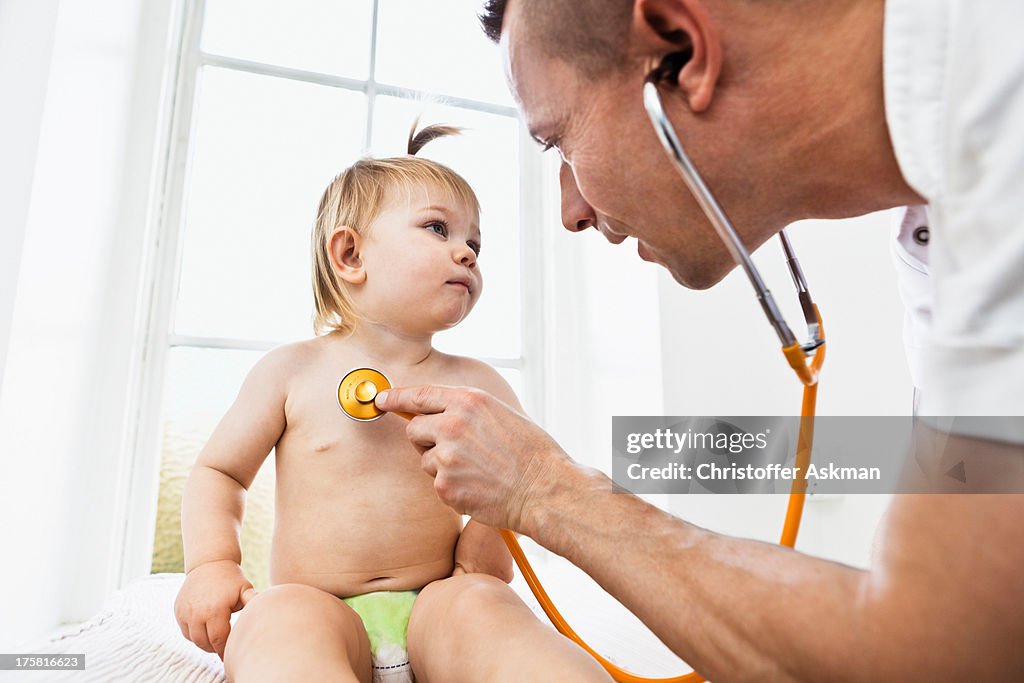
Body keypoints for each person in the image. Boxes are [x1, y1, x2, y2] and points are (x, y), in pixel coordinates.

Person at [372, 1, 1024, 680]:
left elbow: (937, 654)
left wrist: (544, 488)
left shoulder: (1005, 126)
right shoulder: (944, 221)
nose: (571, 211)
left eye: (560, 142)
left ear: (682, 52)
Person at [172, 124, 614, 683]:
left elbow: (519, 478)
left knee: (489, 610)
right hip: (319, 605)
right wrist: (212, 563)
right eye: (437, 228)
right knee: (275, 622)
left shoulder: (477, 385)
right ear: (351, 254)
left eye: (475, 245)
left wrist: (480, 551)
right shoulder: (291, 372)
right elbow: (221, 472)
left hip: (438, 604)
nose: (466, 253)